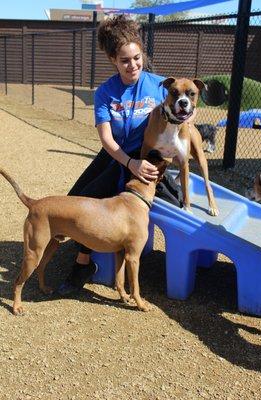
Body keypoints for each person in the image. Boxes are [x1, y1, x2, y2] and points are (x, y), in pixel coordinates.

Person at [58, 14, 180, 295]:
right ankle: (86, 255)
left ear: (142, 54)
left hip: (149, 153)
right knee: (77, 197)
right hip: (118, 153)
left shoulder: (160, 85)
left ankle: (82, 261)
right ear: (113, 60)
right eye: (125, 60)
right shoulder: (106, 92)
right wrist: (130, 163)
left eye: (137, 58)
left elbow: (183, 109)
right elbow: (106, 138)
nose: (133, 65)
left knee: (95, 195)